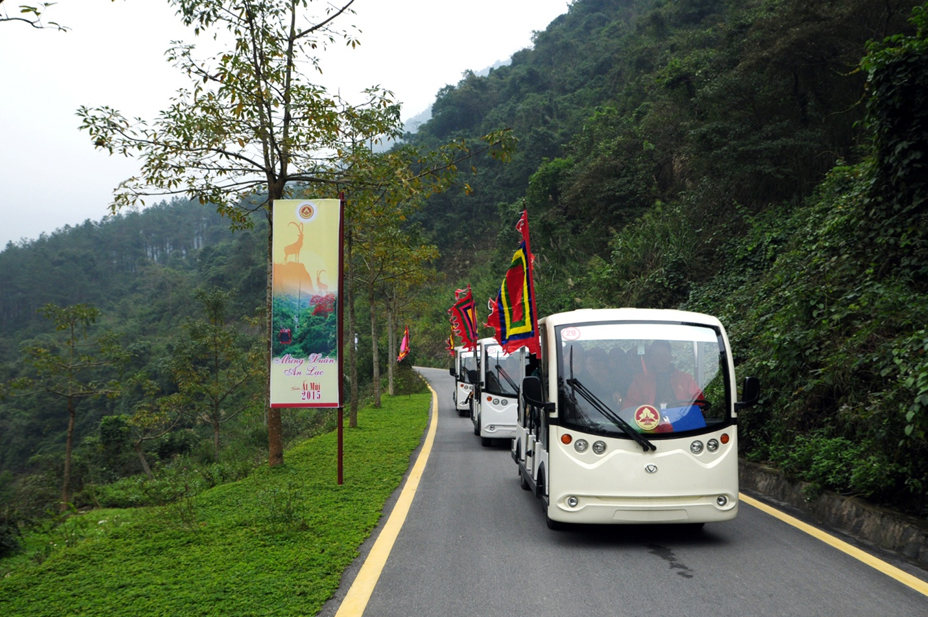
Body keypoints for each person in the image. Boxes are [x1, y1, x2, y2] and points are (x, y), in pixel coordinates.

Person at [623, 340, 704, 411]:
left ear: (670, 356)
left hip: (682, 420)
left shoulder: (686, 378)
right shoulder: (641, 380)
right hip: (650, 421)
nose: (661, 358)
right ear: (652, 357)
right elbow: (629, 406)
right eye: (657, 355)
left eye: (664, 354)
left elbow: (699, 402)